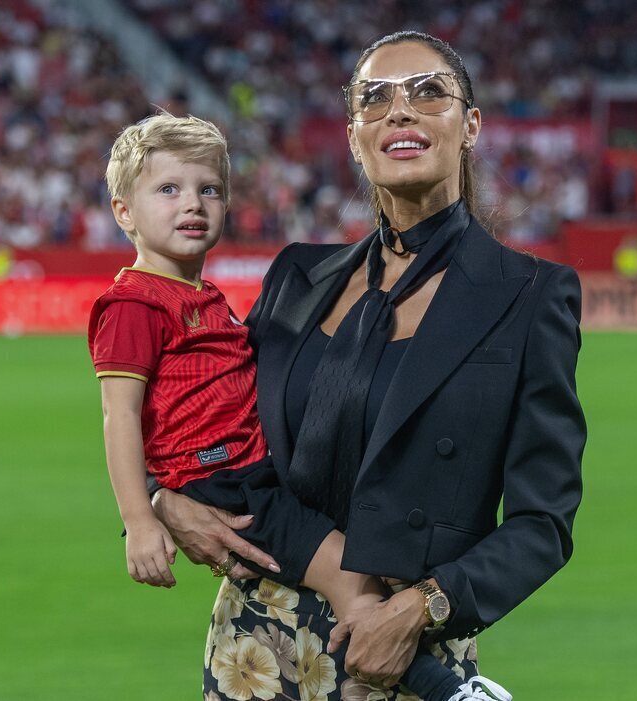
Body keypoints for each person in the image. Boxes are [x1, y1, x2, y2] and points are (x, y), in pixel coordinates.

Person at [152, 31, 586, 700]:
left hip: (405, 656)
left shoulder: (530, 296)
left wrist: (426, 607)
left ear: (470, 125)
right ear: (355, 135)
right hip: (252, 649)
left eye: (427, 93)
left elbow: (542, 525)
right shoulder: (296, 277)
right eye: (374, 98)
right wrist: (160, 498)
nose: (399, 110)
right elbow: (198, 410)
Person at [88, 113, 505, 701]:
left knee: (369, 577)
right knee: (354, 580)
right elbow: (120, 414)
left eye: (209, 190)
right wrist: (143, 515)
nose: (194, 204)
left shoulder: (208, 300)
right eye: (168, 189)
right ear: (123, 212)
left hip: (251, 476)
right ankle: (451, 693)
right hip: (233, 486)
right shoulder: (133, 303)